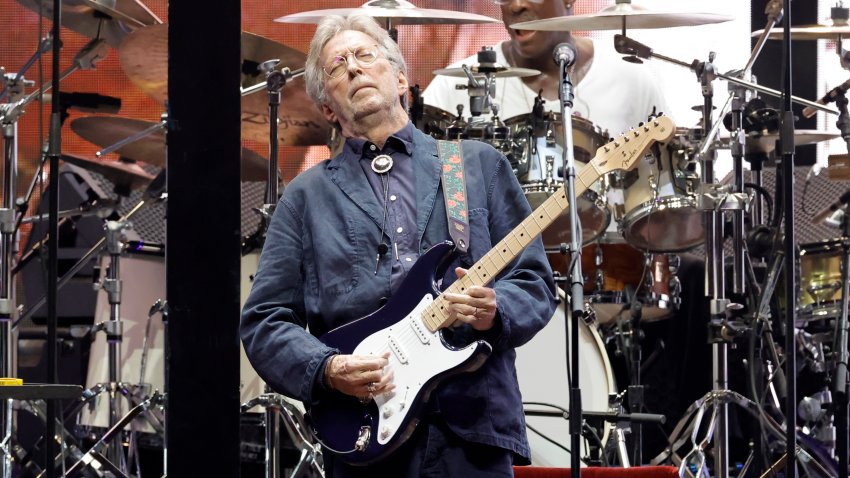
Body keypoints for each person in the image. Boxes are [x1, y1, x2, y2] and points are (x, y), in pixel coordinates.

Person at [240, 12, 558, 477]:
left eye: (365, 55)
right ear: (328, 107)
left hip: (470, 427)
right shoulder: (305, 198)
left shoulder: (476, 167)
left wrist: (495, 309)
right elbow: (265, 323)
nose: (353, 68)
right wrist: (328, 369)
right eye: (336, 66)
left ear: (402, 79)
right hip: (363, 431)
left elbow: (533, 283)